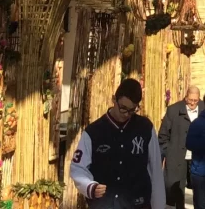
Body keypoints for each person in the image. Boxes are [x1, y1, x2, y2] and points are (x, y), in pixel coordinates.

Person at [70, 77, 166, 209]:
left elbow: (155, 170)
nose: (126, 114)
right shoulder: (93, 132)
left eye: (132, 110)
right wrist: (89, 186)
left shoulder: (145, 128)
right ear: (114, 100)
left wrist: (159, 205)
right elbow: (78, 168)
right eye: (123, 108)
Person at [159, 85, 205, 209]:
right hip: (178, 156)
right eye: (190, 100)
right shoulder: (173, 110)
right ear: (186, 97)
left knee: (200, 190)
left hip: (198, 157)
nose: (193, 103)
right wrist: (169, 151)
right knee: (178, 190)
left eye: (196, 101)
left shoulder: (204, 109)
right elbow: (163, 135)